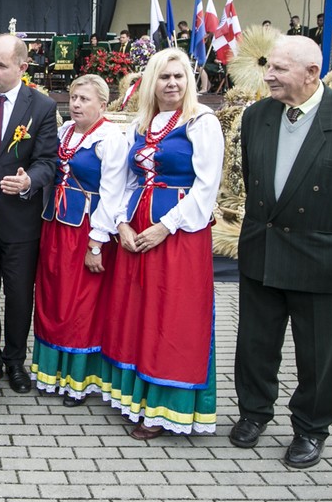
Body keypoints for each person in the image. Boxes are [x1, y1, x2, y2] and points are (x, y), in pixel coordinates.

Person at [231, 35, 332, 468]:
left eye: (280, 69)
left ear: (311, 73)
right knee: (254, 344)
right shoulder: (257, 116)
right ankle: (254, 413)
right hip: (264, 252)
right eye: (268, 65)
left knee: (319, 354)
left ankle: (310, 427)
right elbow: (256, 180)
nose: (268, 74)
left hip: (323, 260)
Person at [100, 47, 223, 439]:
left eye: (179, 76)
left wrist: (166, 226)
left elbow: (206, 188)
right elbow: (127, 180)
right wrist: (120, 223)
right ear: (151, 82)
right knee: (138, 311)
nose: (172, 84)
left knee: (172, 314)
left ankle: (164, 408)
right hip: (136, 230)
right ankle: (136, 398)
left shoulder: (201, 122)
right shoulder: (141, 125)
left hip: (179, 234)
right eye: (164, 77)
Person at [0, 33, 58, 394]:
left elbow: (48, 161)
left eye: (0, 65)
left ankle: (15, 361)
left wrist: (30, 180)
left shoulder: (42, 107)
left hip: (21, 219)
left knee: (19, 295)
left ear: (22, 67)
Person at [30, 74, 128, 406]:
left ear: (103, 104)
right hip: (56, 226)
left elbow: (114, 192)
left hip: (86, 231)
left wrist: (96, 243)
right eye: (73, 97)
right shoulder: (65, 133)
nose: (75, 104)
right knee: (53, 297)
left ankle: (78, 380)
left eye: (84, 99)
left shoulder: (110, 139)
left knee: (80, 303)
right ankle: (50, 372)